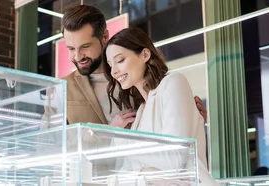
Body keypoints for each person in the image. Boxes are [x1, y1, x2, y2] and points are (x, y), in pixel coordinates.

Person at [58, 5, 207, 128]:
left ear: (104, 37)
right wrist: (108, 130)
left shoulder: (136, 77)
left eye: (85, 46)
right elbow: (49, 143)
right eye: (70, 48)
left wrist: (192, 120)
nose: (77, 56)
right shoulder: (61, 89)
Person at [103, 27, 218, 185]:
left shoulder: (173, 82)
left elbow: (174, 159)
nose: (114, 72)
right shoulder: (142, 109)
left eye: (120, 60)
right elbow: (128, 170)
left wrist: (122, 140)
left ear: (145, 55)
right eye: (110, 65)